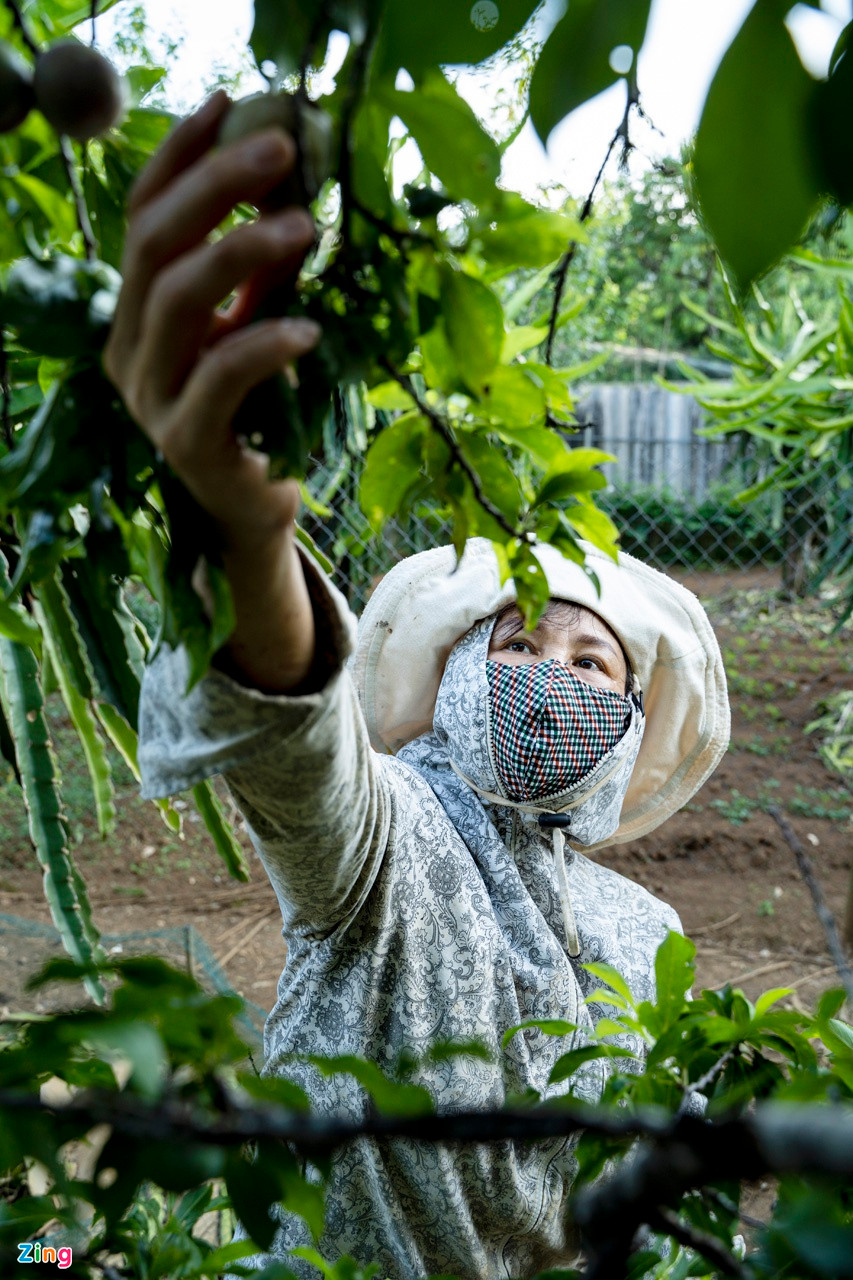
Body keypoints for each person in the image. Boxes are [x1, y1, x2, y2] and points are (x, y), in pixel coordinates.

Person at [104, 93, 730, 1279]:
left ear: (631, 725)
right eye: (515, 645)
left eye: (590, 662)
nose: (551, 678)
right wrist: (245, 535)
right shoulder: (391, 841)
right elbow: (303, 750)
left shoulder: (646, 938)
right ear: (447, 679)